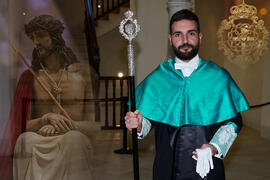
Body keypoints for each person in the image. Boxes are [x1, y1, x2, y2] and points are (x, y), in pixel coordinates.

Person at [125, 9, 249, 180]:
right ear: (170, 39)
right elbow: (149, 120)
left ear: (200, 37)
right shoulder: (157, 78)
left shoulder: (219, 76)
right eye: (178, 34)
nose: (184, 40)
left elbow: (234, 121)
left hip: (207, 166)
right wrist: (139, 124)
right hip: (166, 167)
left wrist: (214, 146)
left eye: (190, 33)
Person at [0, 15, 96, 180]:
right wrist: (45, 119)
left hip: (73, 134)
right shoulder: (29, 77)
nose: (36, 42)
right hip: (40, 135)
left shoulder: (82, 75)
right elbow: (21, 125)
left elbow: (94, 126)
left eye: (41, 35)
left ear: (56, 37)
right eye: (33, 37)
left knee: (74, 139)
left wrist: (66, 125)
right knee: (26, 140)